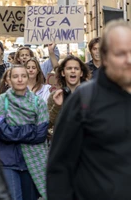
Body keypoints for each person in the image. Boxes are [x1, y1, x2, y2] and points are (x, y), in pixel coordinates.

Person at [47, 20, 131, 199]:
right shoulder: (84, 100)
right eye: (121, 54)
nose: (129, 60)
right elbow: (59, 166)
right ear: (105, 57)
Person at [0, 65, 49, 200]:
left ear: (28, 78)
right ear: (8, 80)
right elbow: (2, 133)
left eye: (23, 76)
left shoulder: (39, 103)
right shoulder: (0, 102)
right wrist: (31, 128)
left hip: (32, 161)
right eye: (15, 76)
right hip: (7, 161)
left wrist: (14, 130)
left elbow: (41, 135)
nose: (19, 79)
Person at [47, 55, 90, 140]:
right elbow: (47, 124)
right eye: (69, 68)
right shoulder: (55, 96)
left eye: (76, 69)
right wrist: (57, 107)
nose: (73, 71)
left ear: (81, 73)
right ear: (63, 73)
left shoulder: (90, 94)